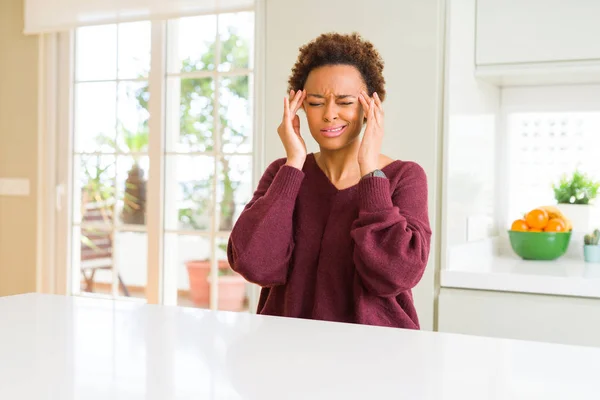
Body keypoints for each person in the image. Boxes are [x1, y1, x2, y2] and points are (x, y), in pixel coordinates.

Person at [227, 32, 432, 329]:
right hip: (285, 354)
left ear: (369, 108)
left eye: (345, 101)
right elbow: (254, 264)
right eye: (316, 103)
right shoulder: (282, 174)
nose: (329, 114)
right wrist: (294, 163)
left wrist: (370, 172)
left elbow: (397, 275)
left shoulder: (405, 177)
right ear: (300, 107)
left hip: (377, 360)